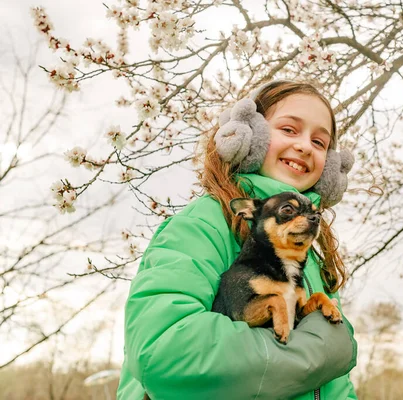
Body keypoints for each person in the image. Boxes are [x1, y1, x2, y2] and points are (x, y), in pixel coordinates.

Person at [116, 80, 358, 400]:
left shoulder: (308, 254)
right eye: (289, 129)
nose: (304, 146)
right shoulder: (203, 223)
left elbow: (334, 389)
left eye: (319, 141)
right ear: (249, 136)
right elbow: (164, 352)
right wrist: (320, 352)